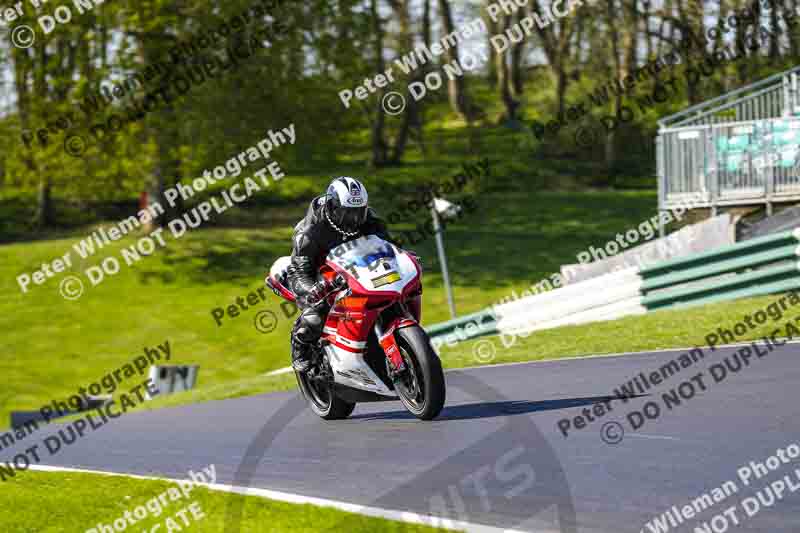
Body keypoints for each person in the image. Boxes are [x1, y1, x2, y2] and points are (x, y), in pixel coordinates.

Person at [285, 177, 392, 372]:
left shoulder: (370, 219)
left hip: (354, 267)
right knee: (316, 312)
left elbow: (389, 248)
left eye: (359, 212)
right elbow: (300, 268)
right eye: (347, 213)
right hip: (316, 271)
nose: (354, 220)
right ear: (333, 208)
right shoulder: (311, 229)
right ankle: (299, 343)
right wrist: (312, 290)